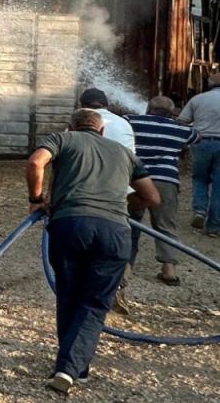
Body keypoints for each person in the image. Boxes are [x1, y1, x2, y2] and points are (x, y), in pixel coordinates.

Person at [26, 108, 160, 395]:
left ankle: (70, 368)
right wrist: (120, 206)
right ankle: (72, 369)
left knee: (69, 296)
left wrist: (36, 199)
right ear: (101, 131)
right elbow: (152, 197)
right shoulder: (124, 152)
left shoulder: (63, 139)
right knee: (95, 303)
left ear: (70, 126)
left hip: (70, 225)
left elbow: (36, 163)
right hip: (115, 233)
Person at [126, 96, 198, 285]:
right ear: (172, 112)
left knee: (130, 222)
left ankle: (126, 268)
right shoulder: (182, 130)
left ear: (147, 108)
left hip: (135, 179)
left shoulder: (131, 121)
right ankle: (169, 270)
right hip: (166, 179)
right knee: (166, 225)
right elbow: (196, 137)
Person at [179, 73, 220, 236]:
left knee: (200, 178)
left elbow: (182, 122)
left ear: (209, 84)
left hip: (201, 142)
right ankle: (214, 228)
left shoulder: (197, 99)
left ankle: (199, 211)